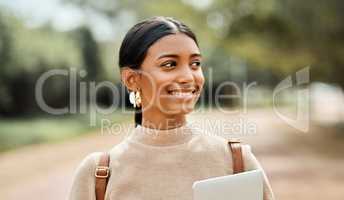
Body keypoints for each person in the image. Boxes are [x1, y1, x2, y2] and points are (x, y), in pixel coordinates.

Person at [67, 16, 275, 200]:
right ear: (131, 79)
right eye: (169, 64)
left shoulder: (236, 161)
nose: (188, 76)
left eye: (195, 64)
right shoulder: (98, 173)